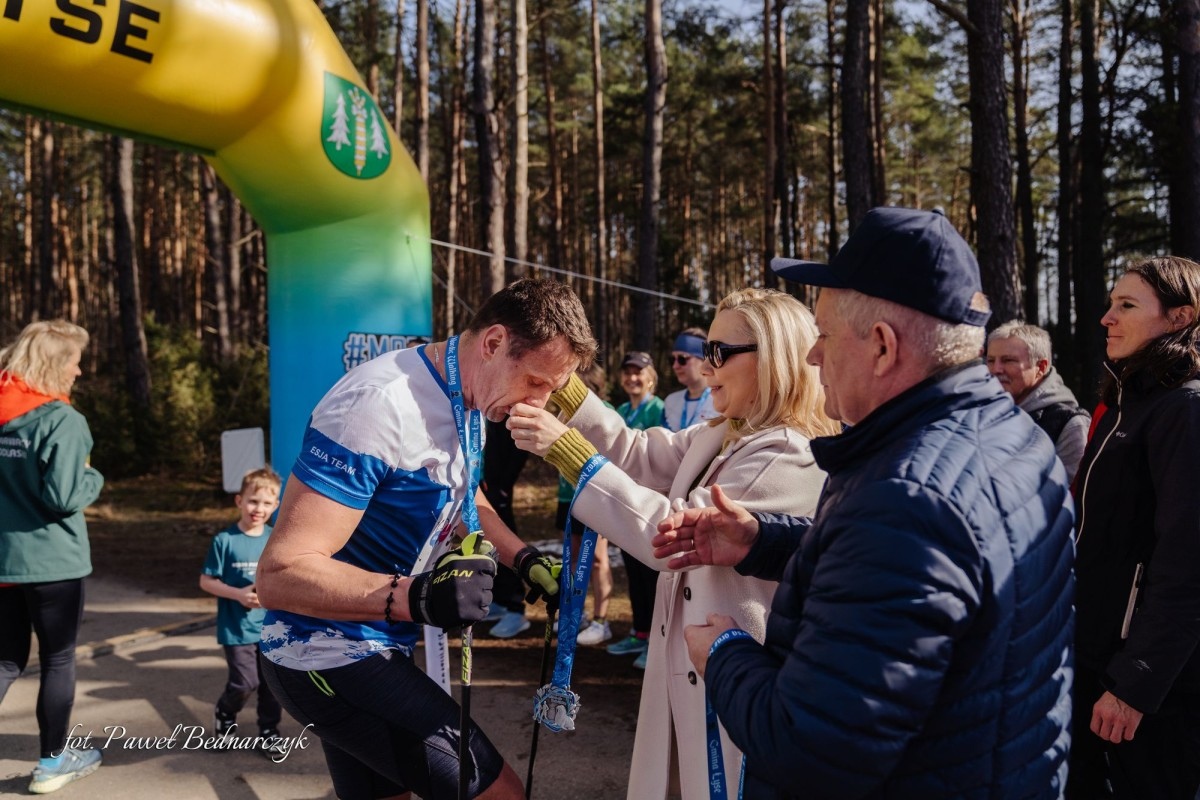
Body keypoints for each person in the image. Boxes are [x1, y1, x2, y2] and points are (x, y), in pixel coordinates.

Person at [653, 207, 1075, 798]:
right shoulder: (1012, 439)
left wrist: (723, 653)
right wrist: (763, 540)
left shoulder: (904, 498)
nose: (812, 357)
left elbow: (813, 747)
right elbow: (924, 576)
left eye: (823, 335)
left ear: (881, 346)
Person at [256, 278, 592, 800]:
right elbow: (279, 575)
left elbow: (462, 494)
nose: (541, 402)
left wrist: (522, 559)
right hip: (323, 654)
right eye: (536, 382)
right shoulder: (377, 406)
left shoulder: (470, 394)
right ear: (494, 342)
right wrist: (416, 597)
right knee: (500, 794)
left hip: (374, 644)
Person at [507, 288, 838, 798]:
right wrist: (563, 383)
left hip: (731, 681)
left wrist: (568, 452)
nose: (707, 369)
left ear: (773, 361)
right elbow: (637, 452)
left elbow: (671, 533)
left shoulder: (789, 452)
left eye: (719, 353)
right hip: (694, 669)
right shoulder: (727, 432)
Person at [1067, 256, 1200, 800]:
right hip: (1098, 661)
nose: (1106, 318)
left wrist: (1137, 683)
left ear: (1179, 318)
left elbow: (1188, 561)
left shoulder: (1184, 409)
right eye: (1110, 303)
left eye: (1127, 305)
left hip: (1153, 689)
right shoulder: (1127, 404)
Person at [0, 320, 105, 795]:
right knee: (58, 658)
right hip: (52, 563)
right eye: (74, 360)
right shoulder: (63, 420)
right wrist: (95, 478)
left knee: (4, 662)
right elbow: (64, 495)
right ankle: (51, 764)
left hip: (3, 562)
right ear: (53, 363)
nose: (80, 369)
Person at [200, 466, 286, 757]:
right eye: (252, 501)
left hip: (271, 628)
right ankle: (225, 715)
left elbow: (283, 578)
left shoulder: (276, 539)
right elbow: (206, 581)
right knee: (244, 683)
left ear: (275, 506)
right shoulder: (224, 541)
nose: (258, 508)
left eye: (266, 503)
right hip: (236, 629)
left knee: (273, 686)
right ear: (239, 501)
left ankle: (269, 732)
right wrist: (238, 594)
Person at [604, 351, 665, 668]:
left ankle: (656, 640)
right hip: (624, 503)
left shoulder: (659, 409)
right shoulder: (623, 410)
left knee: (650, 575)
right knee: (633, 574)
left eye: (638, 372)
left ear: (651, 376)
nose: (632, 378)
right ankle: (639, 632)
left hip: (648, 506)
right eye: (627, 373)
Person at [986, 320, 1090, 483]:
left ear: (1041, 367)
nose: (996, 369)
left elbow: (1071, 494)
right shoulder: (980, 413)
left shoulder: (1069, 424)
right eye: (991, 360)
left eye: (1008, 360)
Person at [563, 363, 615, 646]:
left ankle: (601, 620)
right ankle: (577, 613)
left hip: (596, 493)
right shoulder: (564, 411)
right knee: (571, 557)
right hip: (570, 495)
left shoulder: (604, 409)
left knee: (597, 558)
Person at [480, 419, 532, 639]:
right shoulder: (474, 405)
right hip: (478, 485)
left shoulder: (503, 409)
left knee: (504, 541)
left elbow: (519, 448)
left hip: (497, 487)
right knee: (486, 545)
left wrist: (504, 486)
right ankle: (499, 600)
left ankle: (515, 609)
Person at [662, 328, 718, 432]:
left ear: (703, 360)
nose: (675, 366)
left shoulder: (721, 401)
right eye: (672, 359)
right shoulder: (670, 401)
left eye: (682, 359)